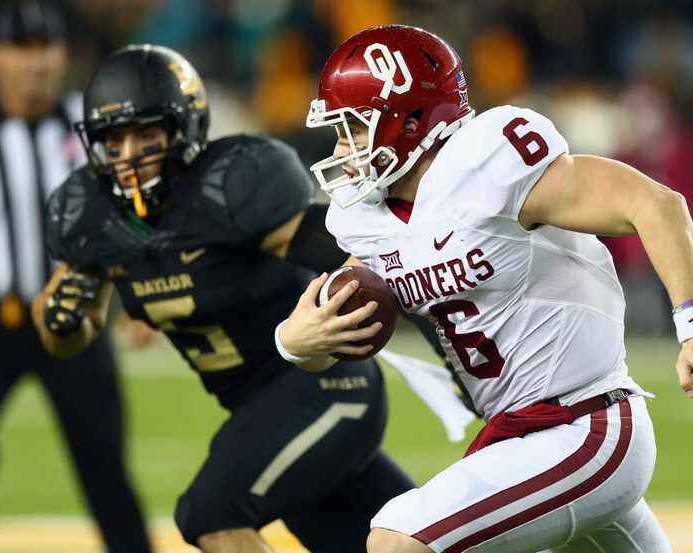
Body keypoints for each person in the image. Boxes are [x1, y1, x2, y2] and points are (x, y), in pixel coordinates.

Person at [279, 25, 693, 553]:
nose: (342, 149)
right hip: (525, 437)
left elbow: (654, 204)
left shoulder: (487, 167)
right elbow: (343, 321)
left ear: (411, 119)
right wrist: (295, 343)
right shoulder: (368, 222)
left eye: (352, 129)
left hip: (584, 424)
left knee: (399, 541)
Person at [33, 44, 415, 553]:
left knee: (209, 513)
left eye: (146, 134)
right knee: (392, 542)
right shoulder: (90, 215)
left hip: (326, 387)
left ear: (182, 129)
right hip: (258, 411)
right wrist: (61, 323)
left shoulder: (229, 186)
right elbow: (66, 335)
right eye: (115, 139)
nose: (129, 155)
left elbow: (357, 258)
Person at [0, 2, 152, 552]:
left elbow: (130, 214)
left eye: (46, 48)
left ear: (64, 53)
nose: (35, 63)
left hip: (77, 321)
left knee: (105, 466)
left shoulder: (92, 130)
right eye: (21, 49)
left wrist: (139, 297)